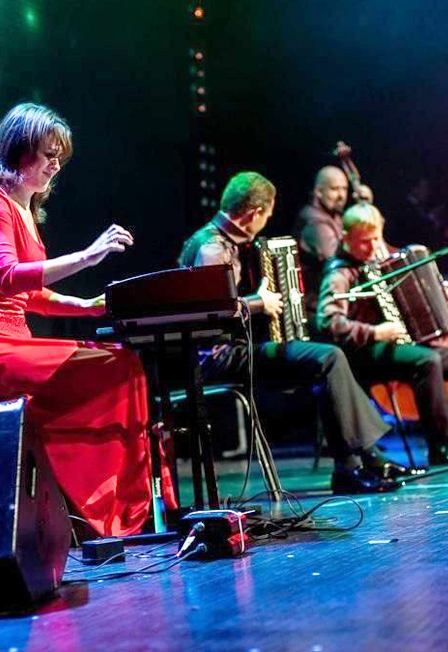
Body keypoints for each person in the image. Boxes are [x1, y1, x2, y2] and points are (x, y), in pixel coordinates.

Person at [0, 102, 176, 537]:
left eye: (60, 156)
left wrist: (84, 306)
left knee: (125, 363)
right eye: (48, 154)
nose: (56, 164)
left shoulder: (25, 211)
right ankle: (105, 508)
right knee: (114, 368)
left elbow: (32, 295)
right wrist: (87, 256)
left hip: (18, 338)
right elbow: (8, 277)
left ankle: (123, 506)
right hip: (4, 345)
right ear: (19, 151)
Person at [178, 171, 405, 494]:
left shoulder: (222, 241)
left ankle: (363, 458)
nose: (266, 222)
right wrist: (260, 303)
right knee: (328, 357)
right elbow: (210, 309)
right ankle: (352, 466)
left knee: (326, 359)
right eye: (266, 216)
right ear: (255, 213)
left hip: (236, 350)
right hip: (219, 357)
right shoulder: (212, 247)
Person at [315, 202, 448, 465]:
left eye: (376, 238)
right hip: (361, 353)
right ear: (346, 238)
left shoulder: (382, 261)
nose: (373, 246)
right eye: (365, 241)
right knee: (426, 361)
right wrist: (375, 332)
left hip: (394, 345)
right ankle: (440, 446)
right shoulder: (339, 273)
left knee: (439, 356)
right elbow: (328, 322)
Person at [292, 166, 349, 320]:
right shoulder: (314, 221)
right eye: (334, 189)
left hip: (331, 302)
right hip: (316, 311)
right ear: (318, 191)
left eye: (344, 189)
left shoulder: (334, 215)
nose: (341, 195)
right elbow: (336, 261)